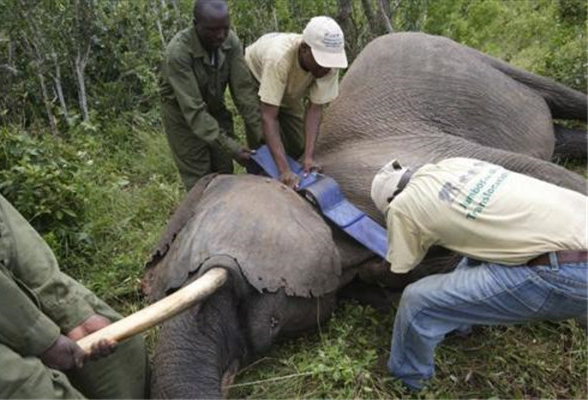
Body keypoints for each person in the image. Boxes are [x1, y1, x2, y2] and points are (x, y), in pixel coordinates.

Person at [366, 157, 587, 390]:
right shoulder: (455, 164)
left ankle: (408, 379)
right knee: (475, 252)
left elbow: (398, 274)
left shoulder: (402, 207)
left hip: (567, 273)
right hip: (578, 227)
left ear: (391, 200)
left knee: (418, 300)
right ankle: (459, 324)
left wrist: (369, 273)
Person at [0, 149, 149, 399]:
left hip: (2, 290)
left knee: (122, 350)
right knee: (36, 390)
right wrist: (41, 338)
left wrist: (70, 311)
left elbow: (6, 228)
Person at [160, 0, 262, 191]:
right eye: (213, 30)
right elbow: (195, 112)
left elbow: (244, 93)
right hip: (182, 115)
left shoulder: (230, 42)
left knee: (224, 168)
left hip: (214, 107)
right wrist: (233, 148)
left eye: (225, 28)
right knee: (201, 178)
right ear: (195, 24)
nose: (220, 35)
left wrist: (263, 139)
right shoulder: (178, 53)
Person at [245, 16, 348, 189]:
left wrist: (309, 157)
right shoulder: (279, 58)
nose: (327, 69)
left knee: (297, 143)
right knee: (262, 144)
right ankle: (259, 183)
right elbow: (268, 117)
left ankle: (295, 173)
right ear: (304, 49)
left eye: (330, 63)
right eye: (322, 62)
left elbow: (315, 109)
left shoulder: (328, 65)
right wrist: (284, 171)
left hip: (290, 86)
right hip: (256, 76)